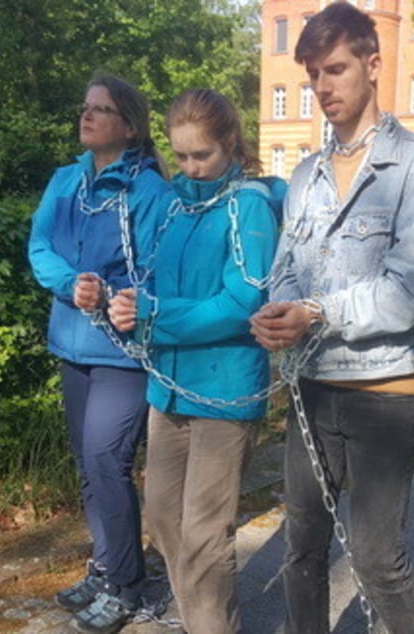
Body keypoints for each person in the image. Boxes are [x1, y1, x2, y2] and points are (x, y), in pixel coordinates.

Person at [249, 4, 414, 632]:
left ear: (373, 64)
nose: (323, 88)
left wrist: (316, 312)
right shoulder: (306, 174)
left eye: (334, 69)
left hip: (385, 391)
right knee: (302, 547)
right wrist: (281, 310)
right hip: (312, 391)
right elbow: (286, 265)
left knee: (376, 558)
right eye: (313, 74)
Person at [108, 88, 283, 634]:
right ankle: (203, 618)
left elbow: (243, 303)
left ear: (230, 142)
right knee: (161, 517)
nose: (189, 166)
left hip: (225, 390)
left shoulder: (248, 204)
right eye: (180, 155)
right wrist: (128, 301)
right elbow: (153, 279)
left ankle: (208, 626)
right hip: (169, 388)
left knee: (207, 537)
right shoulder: (176, 204)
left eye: (200, 155)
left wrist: (155, 315)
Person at [28, 74, 169, 632]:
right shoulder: (65, 181)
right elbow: (39, 245)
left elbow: (161, 269)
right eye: (85, 106)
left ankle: (128, 587)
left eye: (101, 109)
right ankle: (107, 564)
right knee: (89, 465)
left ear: (129, 127)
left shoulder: (151, 192)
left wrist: (122, 296)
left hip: (122, 353)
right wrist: (71, 283)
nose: (87, 116)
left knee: (108, 462)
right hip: (71, 341)